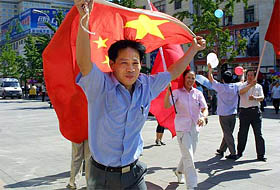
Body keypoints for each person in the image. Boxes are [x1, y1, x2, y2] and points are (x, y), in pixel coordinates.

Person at [74, 0, 206, 189]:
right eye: (124, 63)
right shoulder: (99, 85)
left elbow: (173, 71)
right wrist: (84, 18)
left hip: (134, 173)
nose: (130, 69)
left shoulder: (146, 85)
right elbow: (84, 63)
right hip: (101, 176)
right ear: (112, 65)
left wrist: (194, 49)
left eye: (135, 63)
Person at [164, 70, 208, 190]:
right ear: (184, 78)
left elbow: (205, 108)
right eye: (188, 77)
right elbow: (167, 105)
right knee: (189, 157)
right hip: (182, 129)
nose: (190, 80)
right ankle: (192, 185)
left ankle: (179, 171)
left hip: (195, 128)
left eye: (193, 78)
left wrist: (204, 117)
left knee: (189, 154)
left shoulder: (198, 93)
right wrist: (168, 93)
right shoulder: (177, 93)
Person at [208, 64, 241, 160]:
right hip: (233, 114)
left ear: (222, 79)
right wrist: (242, 73)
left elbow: (210, 79)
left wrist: (210, 70)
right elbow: (242, 81)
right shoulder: (235, 86)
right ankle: (222, 150)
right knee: (228, 132)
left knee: (227, 133)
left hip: (223, 114)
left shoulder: (220, 87)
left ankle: (233, 152)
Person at [237, 70, 266, 161]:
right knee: (242, 133)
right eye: (248, 75)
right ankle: (240, 152)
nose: (249, 77)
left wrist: (255, 98)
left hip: (255, 112)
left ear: (254, 76)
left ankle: (260, 155)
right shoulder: (242, 85)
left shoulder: (258, 86)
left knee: (258, 134)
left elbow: (262, 98)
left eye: (251, 75)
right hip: (244, 112)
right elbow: (240, 92)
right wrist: (250, 86)